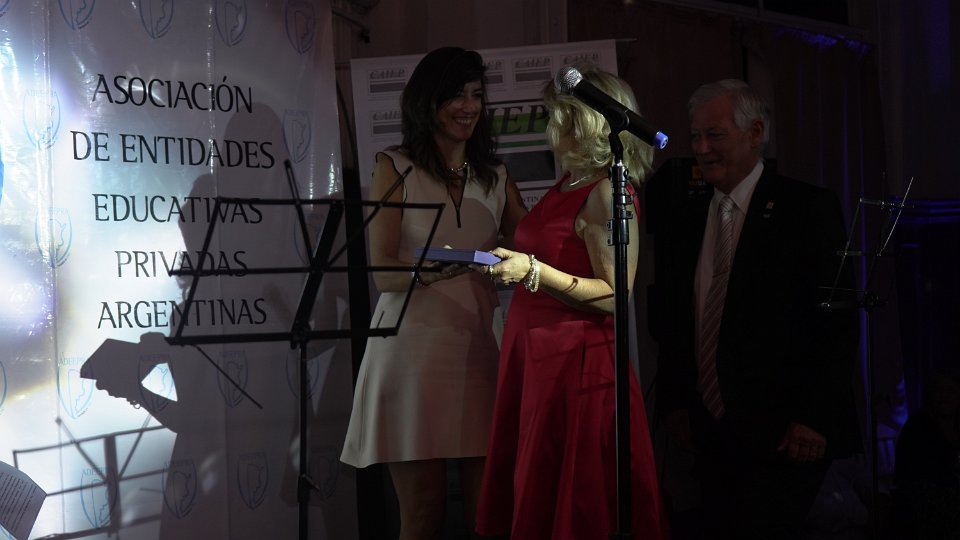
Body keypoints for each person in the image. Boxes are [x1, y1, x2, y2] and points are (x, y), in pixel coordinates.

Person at [649, 78, 861, 539]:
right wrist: (674, 403)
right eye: (695, 137)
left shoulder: (807, 208)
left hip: (786, 435)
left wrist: (815, 417)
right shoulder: (686, 218)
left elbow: (837, 322)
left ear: (756, 132)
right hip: (709, 435)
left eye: (715, 135)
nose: (701, 149)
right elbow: (675, 319)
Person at [340, 46, 527, 540]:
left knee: (490, 515)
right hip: (410, 353)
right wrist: (432, 270)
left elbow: (532, 245)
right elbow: (383, 272)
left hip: (480, 349)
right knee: (423, 513)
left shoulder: (496, 175)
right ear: (428, 101)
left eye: (476, 95)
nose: (469, 106)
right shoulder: (394, 165)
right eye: (456, 95)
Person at [475, 65, 668, 540]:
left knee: (576, 497)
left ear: (580, 120)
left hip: (574, 363)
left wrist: (533, 272)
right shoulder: (568, 184)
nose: (549, 125)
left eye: (555, 114)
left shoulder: (607, 191)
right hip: (538, 358)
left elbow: (615, 293)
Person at [893, 369, 960, 538]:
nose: (944, 396)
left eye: (950, 390)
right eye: (939, 390)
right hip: (924, 499)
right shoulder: (917, 426)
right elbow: (910, 475)